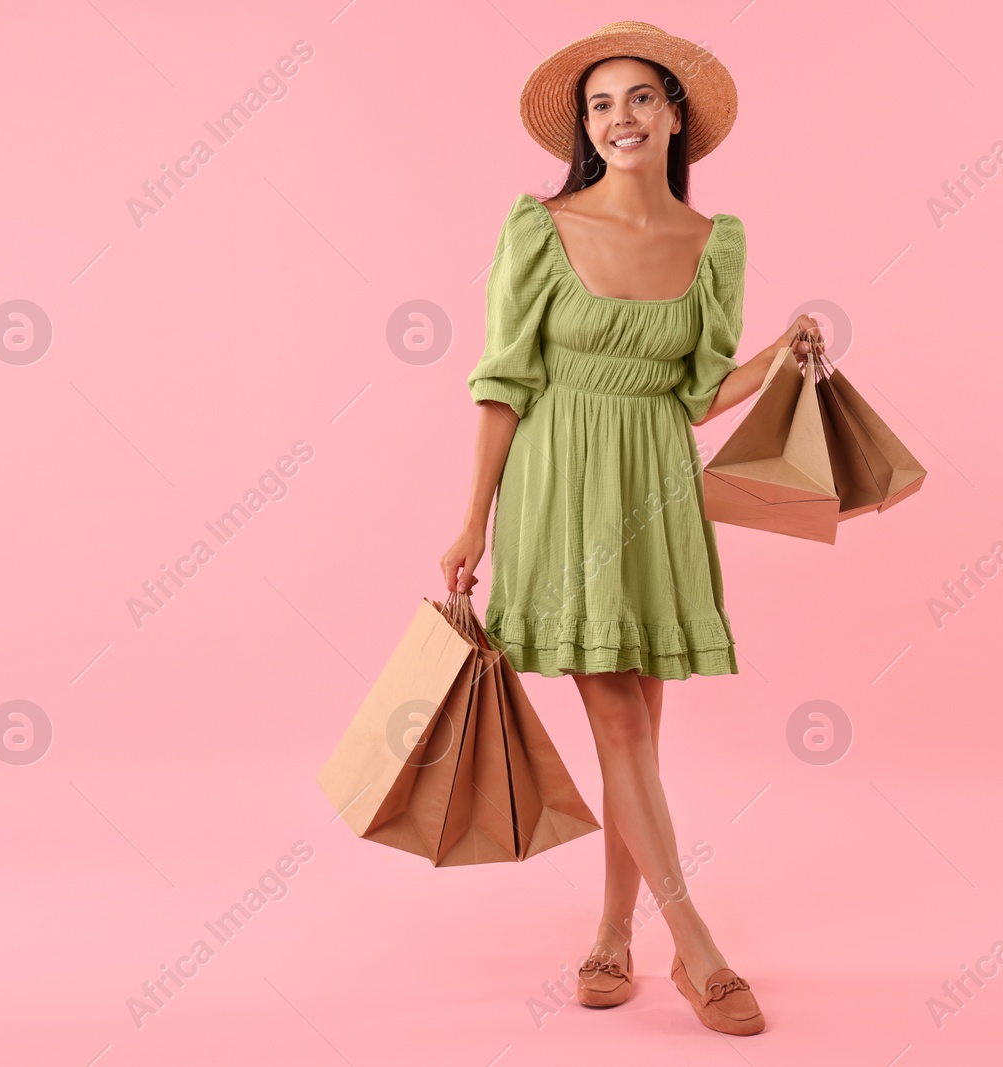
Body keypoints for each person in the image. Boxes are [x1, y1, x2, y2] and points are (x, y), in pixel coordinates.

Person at [439, 20, 817, 1037]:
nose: (619, 119)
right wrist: (473, 519)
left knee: (636, 735)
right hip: (562, 492)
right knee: (617, 722)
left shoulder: (712, 243)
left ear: (674, 114)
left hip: (654, 492)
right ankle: (698, 946)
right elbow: (503, 381)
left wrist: (782, 354)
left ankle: (613, 932)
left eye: (639, 98)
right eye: (600, 104)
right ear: (584, 124)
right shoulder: (538, 227)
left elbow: (694, 397)